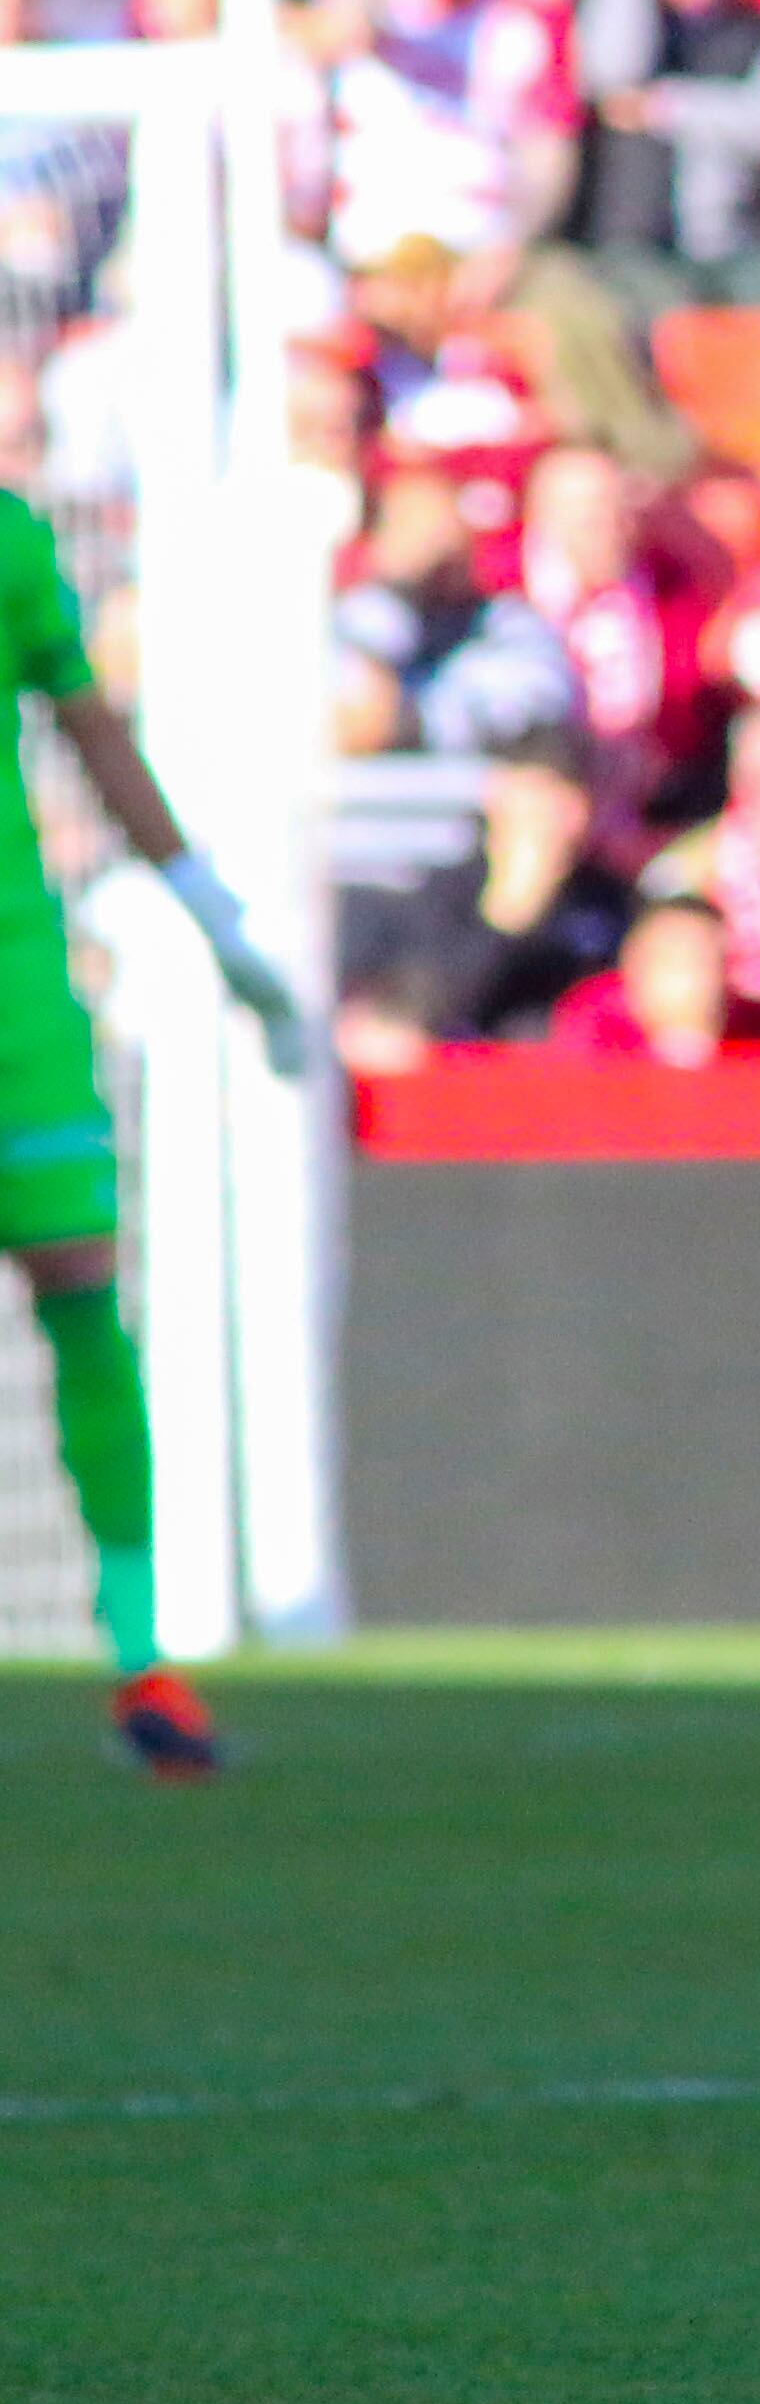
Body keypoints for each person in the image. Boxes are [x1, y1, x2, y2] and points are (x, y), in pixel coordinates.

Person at [0, 482, 308, 1775]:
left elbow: (89, 726)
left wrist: (207, 907)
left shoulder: (10, 538)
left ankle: (143, 1662)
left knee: (80, 1285)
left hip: (17, 989)